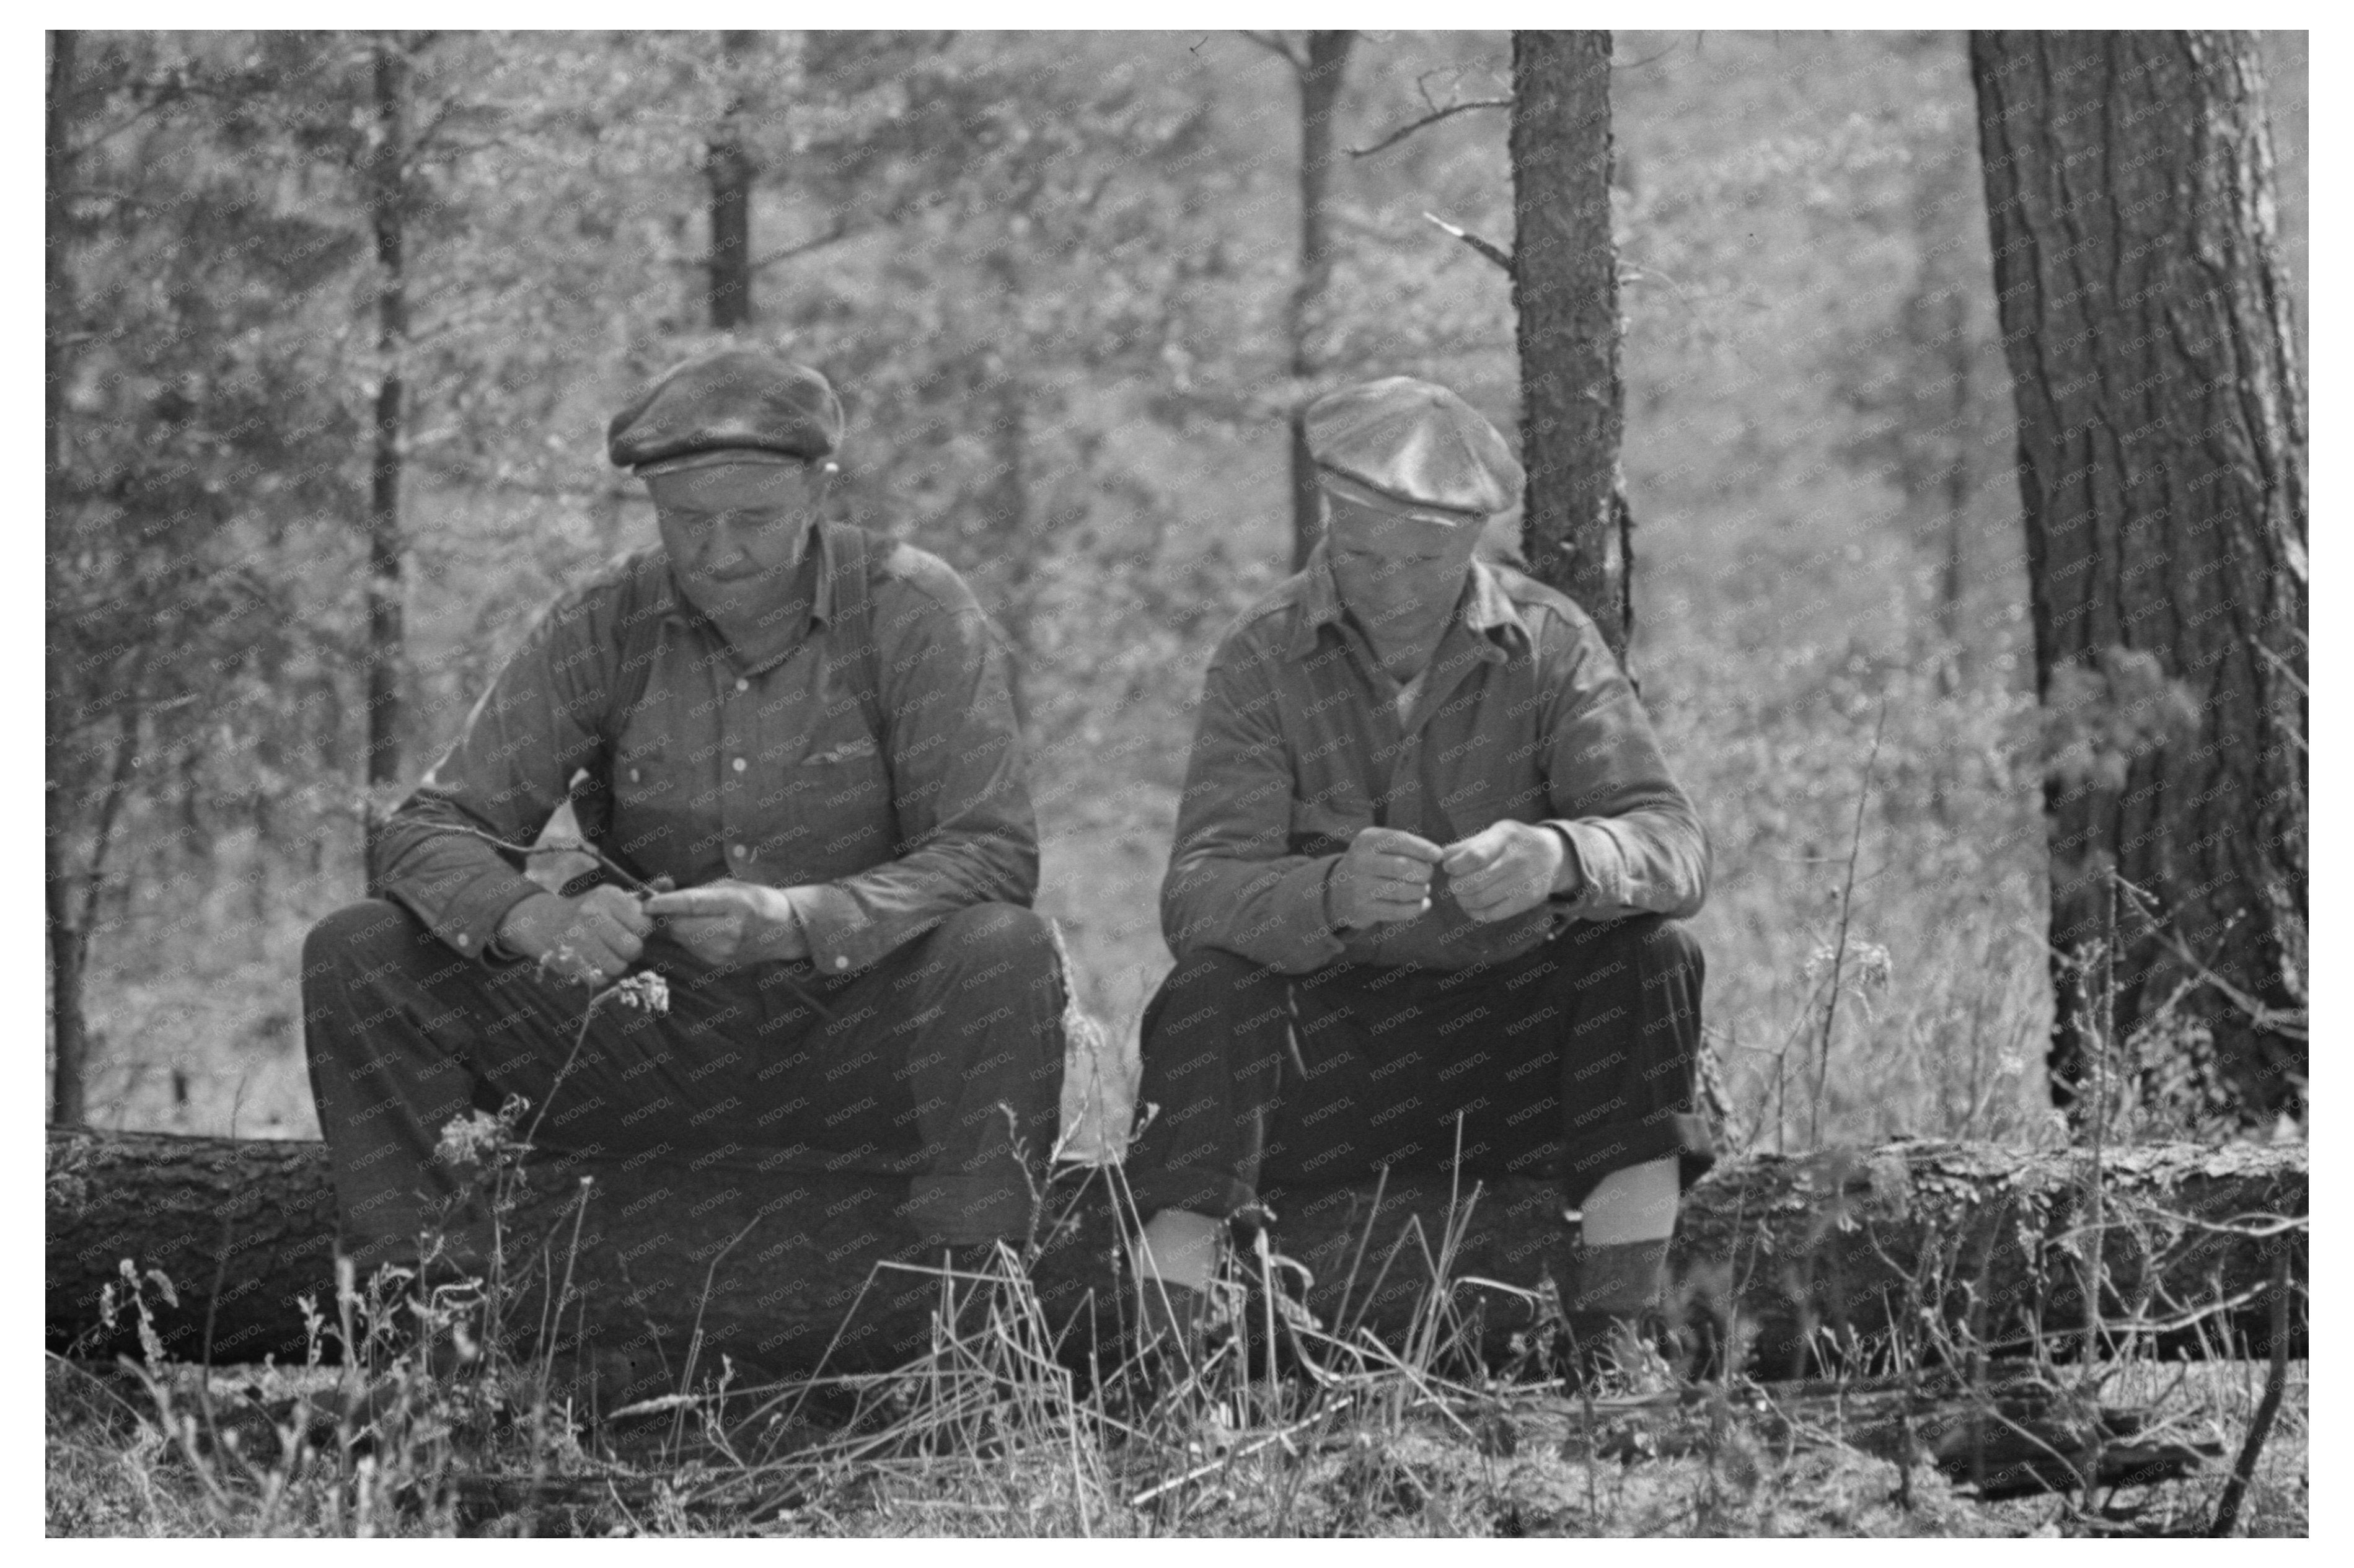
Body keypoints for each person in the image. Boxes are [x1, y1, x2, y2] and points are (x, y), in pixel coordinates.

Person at [302, 349, 1064, 1280]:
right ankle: (424, 1309)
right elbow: (426, 830)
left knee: (1003, 948)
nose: (720, 553)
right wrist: (539, 921)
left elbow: (990, 853)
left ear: (818, 492)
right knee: (360, 949)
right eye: (689, 521)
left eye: (755, 519)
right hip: (646, 1036)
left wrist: (797, 919)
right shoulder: (604, 620)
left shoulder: (912, 607)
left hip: (856, 1043)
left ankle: (981, 1311)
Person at [1122, 376, 1715, 1347]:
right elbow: (1197, 895)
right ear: (1329, 519)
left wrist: (1560, 854)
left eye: (1425, 560)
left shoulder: (1550, 643)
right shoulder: (1261, 655)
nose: (1391, 587)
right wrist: (1327, 893)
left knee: (1653, 957)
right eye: (1363, 555)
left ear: (1472, 540)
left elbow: (1674, 844)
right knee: (1209, 994)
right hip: (1328, 1073)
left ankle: (1617, 1339)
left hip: (1516, 1066)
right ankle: (1167, 1361)